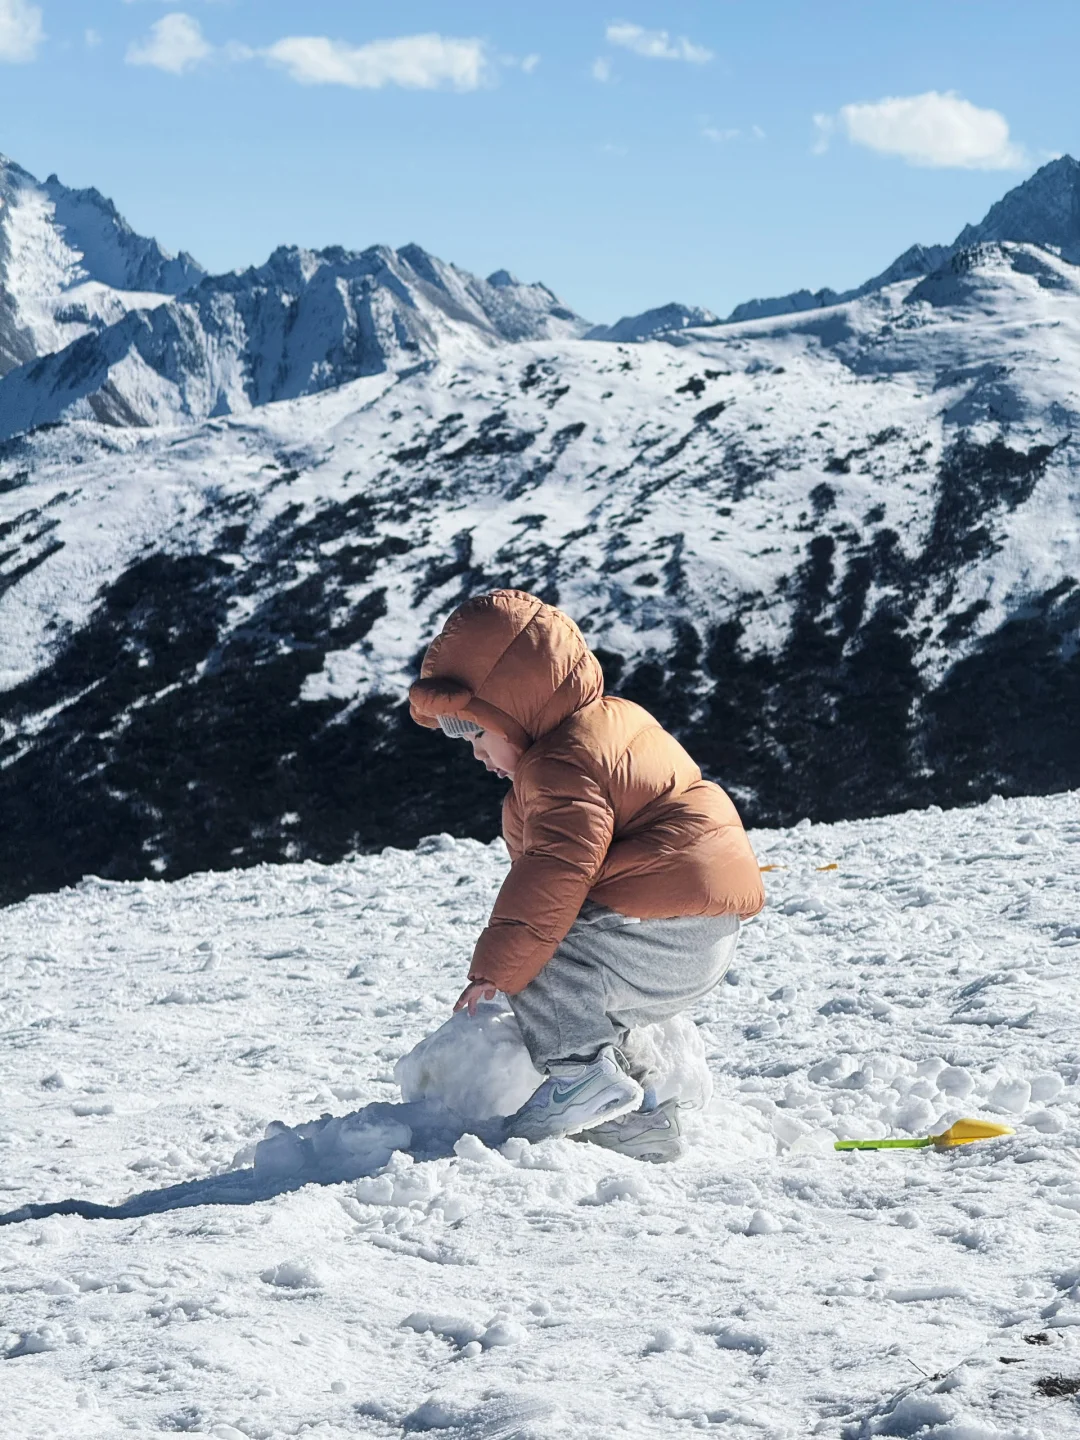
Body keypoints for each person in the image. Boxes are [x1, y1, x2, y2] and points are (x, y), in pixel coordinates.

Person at [409, 589, 765, 1161]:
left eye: (473, 730)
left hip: (662, 928)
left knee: (544, 961)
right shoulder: (607, 725)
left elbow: (555, 874)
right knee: (585, 986)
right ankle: (643, 1112)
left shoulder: (559, 765)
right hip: (697, 926)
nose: (473, 752)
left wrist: (496, 971)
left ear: (514, 707)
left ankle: (579, 1079)